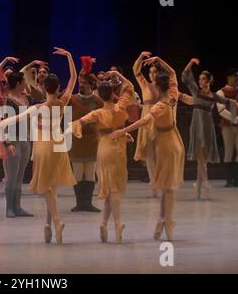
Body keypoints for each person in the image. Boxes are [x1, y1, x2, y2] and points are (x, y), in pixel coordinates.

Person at [0, 47, 77, 244]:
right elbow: (73, 79)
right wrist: (70, 57)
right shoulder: (63, 102)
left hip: (44, 146)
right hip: (59, 145)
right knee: (51, 185)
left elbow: (15, 118)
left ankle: (56, 220)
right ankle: (48, 225)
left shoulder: (38, 106)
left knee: (45, 186)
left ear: (44, 88)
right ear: (57, 86)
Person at [109, 56, 194, 241]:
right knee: (167, 187)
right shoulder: (173, 94)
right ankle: (164, 219)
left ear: (158, 86)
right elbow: (172, 73)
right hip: (172, 141)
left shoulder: (161, 105)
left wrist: (122, 130)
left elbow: (144, 120)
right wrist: (159, 60)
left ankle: (167, 220)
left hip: (166, 144)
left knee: (168, 187)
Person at [71, 71, 136, 243]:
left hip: (105, 149)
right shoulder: (120, 107)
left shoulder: (98, 113)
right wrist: (117, 74)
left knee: (109, 189)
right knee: (114, 189)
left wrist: (74, 131)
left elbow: (78, 122)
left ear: (99, 94)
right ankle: (118, 223)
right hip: (117, 151)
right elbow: (130, 86)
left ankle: (104, 224)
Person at [182, 59, 238, 198]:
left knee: (203, 158)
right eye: (200, 79)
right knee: (201, 157)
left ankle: (199, 189)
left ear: (209, 81)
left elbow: (228, 102)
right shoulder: (196, 91)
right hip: (197, 126)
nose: (200, 81)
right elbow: (185, 75)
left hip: (207, 127)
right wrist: (190, 62)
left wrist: (235, 116)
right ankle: (205, 182)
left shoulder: (213, 96)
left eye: (203, 79)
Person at [69, 56, 103, 212]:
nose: (81, 85)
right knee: (77, 172)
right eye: (80, 82)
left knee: (90, 172)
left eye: (84, 83)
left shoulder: (97, 101)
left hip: (92, 141)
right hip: (76, 141)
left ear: (91, 85)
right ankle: (79, 203)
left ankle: (87, 202)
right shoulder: (72, 99)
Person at [2, 71, 35, 218]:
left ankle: (18, 206)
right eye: (23, 82)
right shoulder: (8, 100)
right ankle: (9, 207)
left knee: (20, 176)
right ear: (18, 84)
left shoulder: (25, 99)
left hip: (25, 139)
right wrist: (7, 143)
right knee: (12, 176)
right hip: (13, 140)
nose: (25, 84)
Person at [132, 51, 160, 197]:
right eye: (151, 72)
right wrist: (141, 56)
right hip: (147, 121)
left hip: (160, 121)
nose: (152, 75)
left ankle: (158, 180)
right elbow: (136, 70)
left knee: (159, 154)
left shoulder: (165, 87)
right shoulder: (145, 85)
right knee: (149, 154)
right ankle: (153, 182)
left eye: (155, 72)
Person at [216, 68, 238, 187]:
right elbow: (221, 110)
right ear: (228, 77)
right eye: (234, 76)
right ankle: (229, 179)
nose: (236, 78)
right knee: (229, 151)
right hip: (228, 125)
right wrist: (235, 119)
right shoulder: (221, 92)